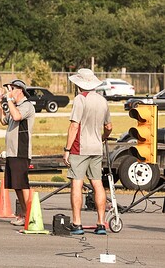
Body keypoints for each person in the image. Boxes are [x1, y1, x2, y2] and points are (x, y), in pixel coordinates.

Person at [63, 68, 112, 235]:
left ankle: (77, 222)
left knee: (76, 182)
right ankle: (100, 223)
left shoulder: (80, 99)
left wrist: (67, 149)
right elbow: (109, 126)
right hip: (96, 148)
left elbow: (74, 125)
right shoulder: (103, 101)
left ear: (79, 84)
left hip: (80, 146)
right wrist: (104, 137)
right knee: (97, 183)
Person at [0, 78, 35, 227]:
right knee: (16, 185)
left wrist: (10, 101)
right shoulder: (15, 106)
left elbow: (17, 116)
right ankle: (23, 214)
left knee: (23, 184)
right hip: (12, 152)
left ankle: (30, 215)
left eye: (11, 89)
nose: (9, 92)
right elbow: (3, 120)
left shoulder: (26, 106)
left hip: (21, 151)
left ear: (19, 90)